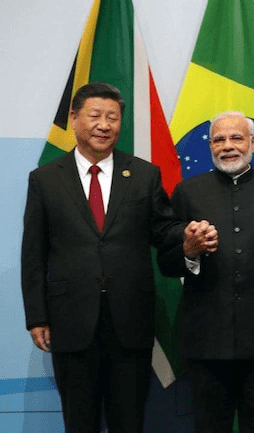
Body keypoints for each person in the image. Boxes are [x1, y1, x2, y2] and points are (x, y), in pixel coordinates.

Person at [21, 82, 182, 432]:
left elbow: (165, 232)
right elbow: (33, 253)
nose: (104, 125)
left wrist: (190, 238)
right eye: (95, 116)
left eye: (113, 117)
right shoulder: (45, 179)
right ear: (74, 118)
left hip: (130, 320)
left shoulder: (144, 175)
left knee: (129, 421)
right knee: (80, 422)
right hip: (71, 321)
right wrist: (37, 316)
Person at [157, 111, 254, 433]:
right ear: (210, 146)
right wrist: (189, 250)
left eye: (236, 138)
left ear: (253, 143)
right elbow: (165, 263)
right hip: (206, 341)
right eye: (219, 140)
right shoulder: (187, 192)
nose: (227, 146)